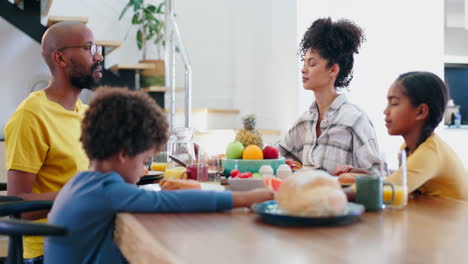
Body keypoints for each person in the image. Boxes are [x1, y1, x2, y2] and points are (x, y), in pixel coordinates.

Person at [44, 88, 273, 264]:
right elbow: (168, 201)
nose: (144, 171)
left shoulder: (82, 182)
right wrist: (246, 198)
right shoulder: (108, 191)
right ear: (123, 154)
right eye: (144, 162)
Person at [4, 21, 103, 261]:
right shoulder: (31, 115)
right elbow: (17, 208)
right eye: (89, 48)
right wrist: (81, 193)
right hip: (48, 251)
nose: (99, 56)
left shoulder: (85, 112)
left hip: (86, 239)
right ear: (60, 59)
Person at [279, 17, 387, 176]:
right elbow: (274, 157)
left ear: (333, 70)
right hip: (306, 199)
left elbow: (380, 175)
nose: (303, 70)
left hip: (342, 200)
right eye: (304, 63)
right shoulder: (304, 122)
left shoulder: (354, 120)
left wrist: (353, 173)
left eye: (312, 63)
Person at [338, 71, 468, 201]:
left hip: (453, 220)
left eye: (394, 103)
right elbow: (399, 182)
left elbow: (384, 190)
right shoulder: (407, 148)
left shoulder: (429, 153)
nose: (385, 111)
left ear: (421, 111)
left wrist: (328, 193)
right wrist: (365, 177)